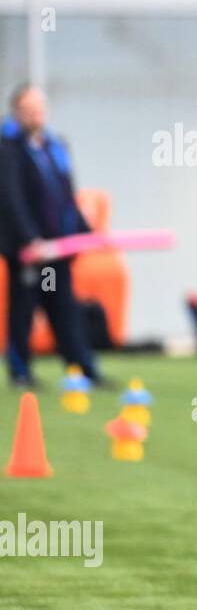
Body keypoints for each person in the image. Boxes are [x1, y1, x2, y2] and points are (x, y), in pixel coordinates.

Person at [0, 84, 103, 388]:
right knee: (24, 309)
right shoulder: (8, 149)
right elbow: (11, 197)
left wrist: (84, 230)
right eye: (29, 108)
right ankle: (20, 371)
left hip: (57, 250)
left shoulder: (53, 146)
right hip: (29, 252)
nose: (36, 114)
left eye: (39, 108)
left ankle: (82, 368)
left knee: (64, 307)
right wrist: (30, 238)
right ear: (18, 111)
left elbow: (65, 194)